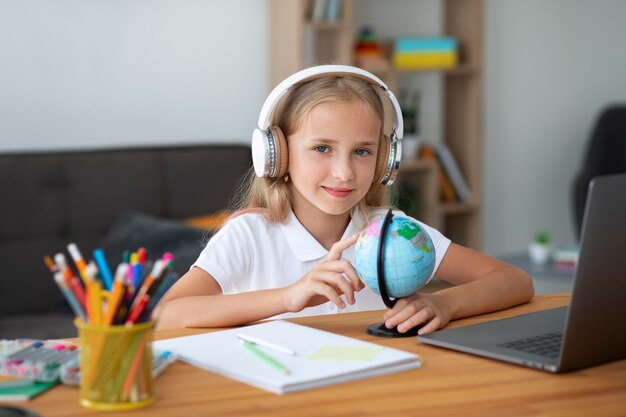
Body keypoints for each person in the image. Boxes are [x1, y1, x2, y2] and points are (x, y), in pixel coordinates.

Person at [157, 65, 534, 335]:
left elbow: (514, 281)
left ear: (386, 161)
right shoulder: (249, 235)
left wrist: (444, 303)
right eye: (322, 148)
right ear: (278, 156)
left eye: (362, 152)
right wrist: (288, 298)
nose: (344, 172)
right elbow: (164, 315)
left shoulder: (394, 231)